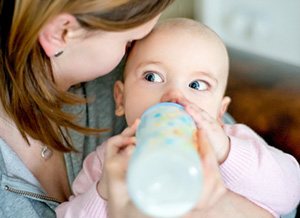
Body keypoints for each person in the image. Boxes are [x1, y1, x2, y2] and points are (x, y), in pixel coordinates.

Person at [56, 18, 300, 218]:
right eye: (152, 77)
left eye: (196, 84)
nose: (174, 95)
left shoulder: (233, 142)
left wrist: (227, 154)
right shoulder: (109, 161)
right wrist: (103, 191)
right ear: (120, 99)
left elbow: (290, 193)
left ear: (219, 112)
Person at [0, 0, 175, 217]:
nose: (132, 56)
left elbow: (220, 132)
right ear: (60, 33)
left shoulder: (133, 81)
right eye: (129, 42)